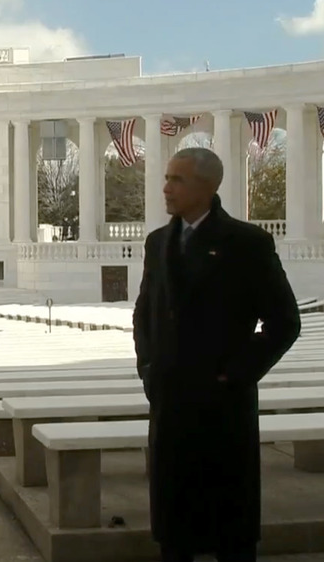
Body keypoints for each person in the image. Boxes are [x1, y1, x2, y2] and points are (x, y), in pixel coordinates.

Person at [133, 147, 301, 562]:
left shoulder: (247, 243)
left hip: (222, 407)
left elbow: (284, 322)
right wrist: (149, 369)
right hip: (170, 403)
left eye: (178, 180)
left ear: (207, 188)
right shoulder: (158, 243)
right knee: (174, 532)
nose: (167, 187)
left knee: (230, 528)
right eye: (168, 177)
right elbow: (144, 313)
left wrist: (236, 374)